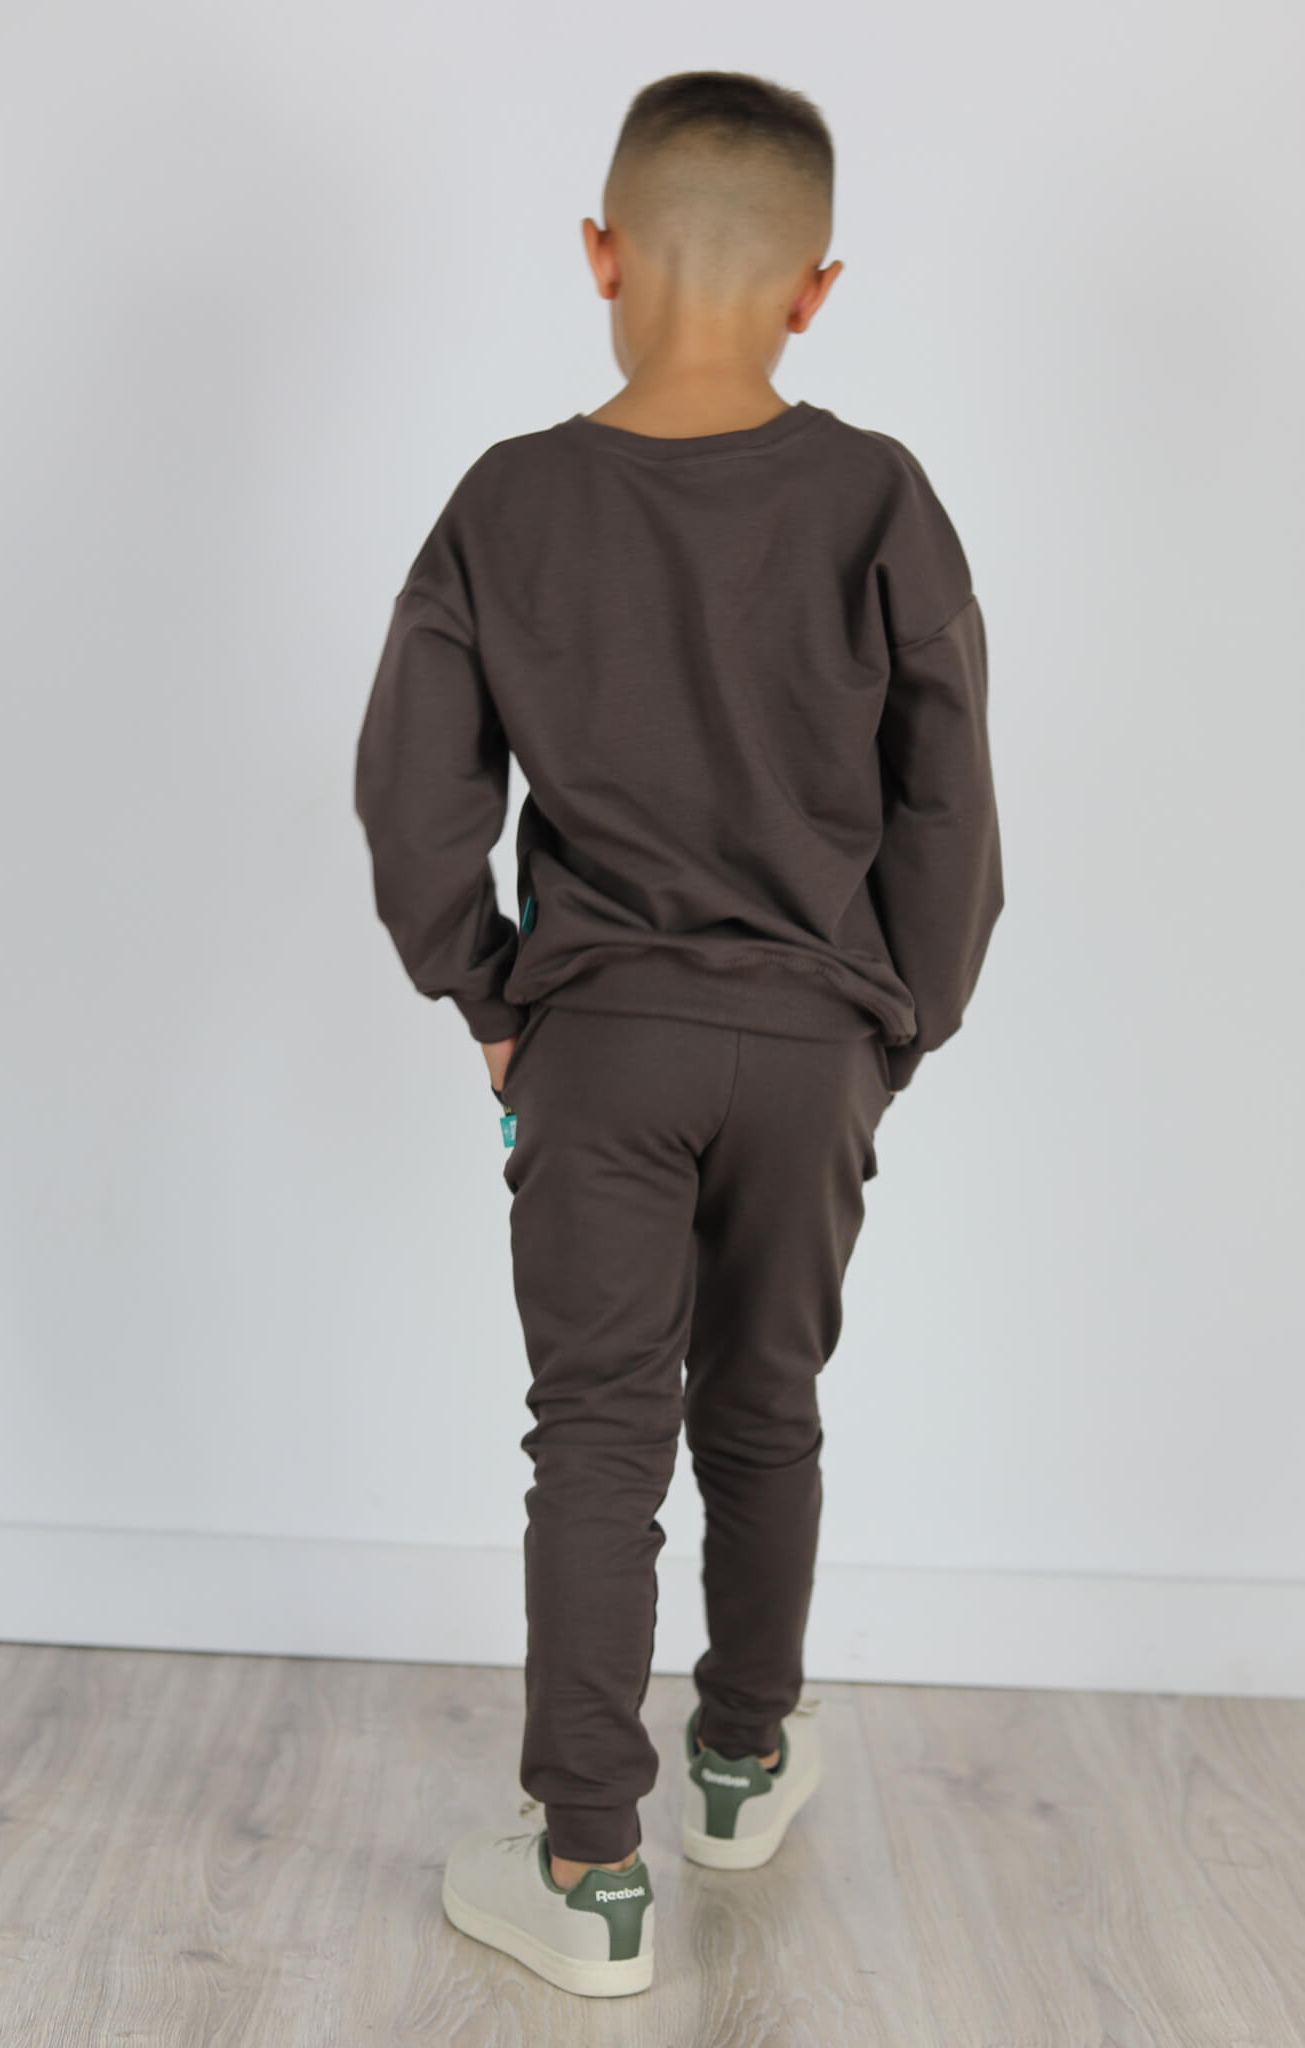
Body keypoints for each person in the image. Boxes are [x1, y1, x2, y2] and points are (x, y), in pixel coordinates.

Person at [353, 67, 1004, 1999]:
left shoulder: (508, 499)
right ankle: (739, 1763)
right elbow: (948, 802)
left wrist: (487, 992)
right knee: (765, 1407)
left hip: (601, 1042)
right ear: (814, 289)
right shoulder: (880, 496)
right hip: (813, 1045)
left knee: (596, 1434)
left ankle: (587, 1867)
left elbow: (413, 799)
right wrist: (897, 1026)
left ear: (600, 256)